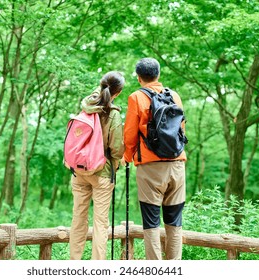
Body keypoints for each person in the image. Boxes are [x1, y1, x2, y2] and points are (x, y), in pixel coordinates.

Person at [122, 58, 187, 260]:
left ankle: (155, 269)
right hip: (177, 165)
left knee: (151, 222)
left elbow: (130, 134)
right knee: (174, 221)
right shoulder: (174, 96)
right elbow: (181, 129)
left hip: (150, 168)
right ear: (158, 74)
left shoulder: (136, 97)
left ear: (139, 77)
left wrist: (126, 157)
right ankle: (174, 267)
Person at [69, 71, 125, 260]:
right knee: (100, 223)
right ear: (117, 93)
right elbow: (116, 150)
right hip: (102, 173)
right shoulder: (113, 114)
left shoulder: (85, 107)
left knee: (78, 219)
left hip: (78, 170)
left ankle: (74, 262)